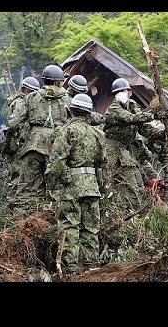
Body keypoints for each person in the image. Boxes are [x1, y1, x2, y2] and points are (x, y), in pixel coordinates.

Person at [46, 94, 107, 273]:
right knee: (91, 228)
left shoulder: (67, 132)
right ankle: (92, 267)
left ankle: (70, 269)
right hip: (92, 186)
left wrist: (53, 184)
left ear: (71, 110)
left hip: (71, 186)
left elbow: (57, 162)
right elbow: (102, 164)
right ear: (89, 113)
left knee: (69, 226)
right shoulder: (98, 133)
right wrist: (101, 186)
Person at [11, 64, 70, 212]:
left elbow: (13, 123)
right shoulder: (67, 99)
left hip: (34, 146)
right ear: (58, 82)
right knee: (57, 187)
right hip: (57, 146)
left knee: (27, 188)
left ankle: (24, 222)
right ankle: (54, 219)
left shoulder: (31, 97)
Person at [103, 78, 153, 210]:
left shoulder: (133, 105)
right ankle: (111, 210)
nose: (121, 94)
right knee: (107, 182)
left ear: (130, 92)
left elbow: (143, 126)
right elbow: (129, 118)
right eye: (117, 92)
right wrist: (153, 115)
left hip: (125, 151)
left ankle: (131, 211)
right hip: (110, 149)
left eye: (123, 91)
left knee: (136, 183)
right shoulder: (114, 107)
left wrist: (161, 132)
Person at [2, 77, 40, 190]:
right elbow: (13, 125)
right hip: (19, 144)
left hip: (22, 143)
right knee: (18, 177)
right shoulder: (21, 103)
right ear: (26, 90)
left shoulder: (22, 102)